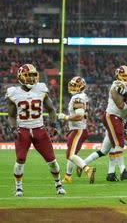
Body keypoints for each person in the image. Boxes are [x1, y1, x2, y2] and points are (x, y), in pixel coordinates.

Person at [6, 64, 66, 197]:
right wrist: (13, 128)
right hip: (23, 130)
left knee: (52, 160)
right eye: (28, 76)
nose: (31, 79)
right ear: (20, 77)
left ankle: (58, 184)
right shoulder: (13, 92)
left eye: (33, 76)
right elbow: (11, 115)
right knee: (20, 159)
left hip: (39, 129)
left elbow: (51, 109)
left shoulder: (41, 89)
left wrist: (54, 124)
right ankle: (19, 188)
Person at [101, 65, 127, 181]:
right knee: (119, 143)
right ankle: (123, 171)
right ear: (118, 76)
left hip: (117, 117)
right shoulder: (117, 85)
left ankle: (111, 174)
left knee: (115, 146)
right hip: (113, 116)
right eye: (124, 76)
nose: (126, 78)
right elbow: (121, 106)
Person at [59, 76, 96, 184]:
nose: (72, 87)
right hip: (79, 129)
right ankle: (68, 176)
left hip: (78, 130)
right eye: (72, 85)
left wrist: (65, 117)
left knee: (70, 155)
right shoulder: (82, 96)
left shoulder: (77, 98)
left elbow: (79, 116)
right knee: (73, 155)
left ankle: (87, 170)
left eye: (75, 86)